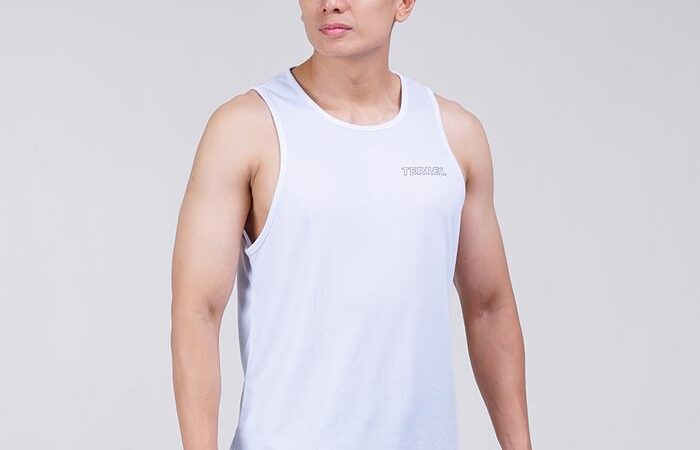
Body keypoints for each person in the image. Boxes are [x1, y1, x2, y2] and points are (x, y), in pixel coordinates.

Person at [171, 1, 532, 449]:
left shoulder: (454, 135)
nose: (331, 3)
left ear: (404, 4)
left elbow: (489, 307)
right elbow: (197, 312)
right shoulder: (245, 129)